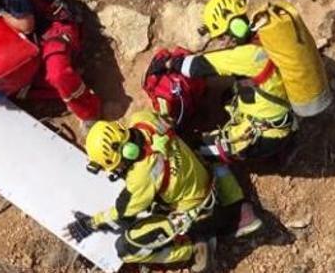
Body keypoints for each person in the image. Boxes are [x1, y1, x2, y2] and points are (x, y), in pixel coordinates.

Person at [65, 111, 262, 272]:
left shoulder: (141, 178)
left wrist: (91, 223)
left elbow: (121, 212)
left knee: (126, 248)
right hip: (207, 179)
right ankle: (234, 201)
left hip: (200, 213)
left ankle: (192, 249)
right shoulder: (142, 119)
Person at [167, 0, 296, 163]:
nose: (223, 42)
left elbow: (194, 67)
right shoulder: (263, 34)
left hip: (267, 135)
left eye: (221, 36)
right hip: (284, 115)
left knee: (197, 149)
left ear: (233, 29)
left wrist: (170, 63)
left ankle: (265, 157)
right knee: (229, 96)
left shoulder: (244, 56)